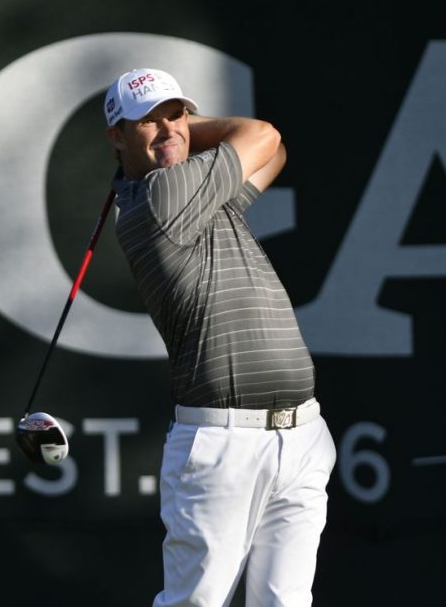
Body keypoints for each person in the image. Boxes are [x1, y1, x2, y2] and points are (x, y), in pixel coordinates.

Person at [103, 68, 336, 607]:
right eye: (148, 122)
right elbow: (265, 136)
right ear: (116, 138)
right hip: (222, 445)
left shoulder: (199, 195)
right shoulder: (162, 200)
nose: (167, 130)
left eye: (175, 114)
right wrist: (185, 131)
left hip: (300, 434)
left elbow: (271, 158)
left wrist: (172, 131)